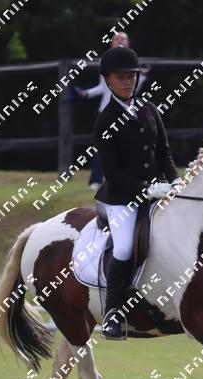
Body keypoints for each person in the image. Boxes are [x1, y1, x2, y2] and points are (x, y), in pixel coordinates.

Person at [93, 46, 178, 340]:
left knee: (190, 226)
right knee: (125, 248)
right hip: (122, 199)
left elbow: (164, 152)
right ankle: (112, 314)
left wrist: (176, 182)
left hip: (160, 190)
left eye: (131, 76)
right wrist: (146, 189)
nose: (128, 82)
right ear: (107, 79)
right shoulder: (105, 121)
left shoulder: (149, 109)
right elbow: (113, 173)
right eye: (121, 77)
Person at [75, 33, 150, 191]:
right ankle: (96, 180)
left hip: (127, 111)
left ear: (128, 42)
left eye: (123, 38)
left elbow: (134, 88)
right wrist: (86, 93)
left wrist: (142, 75)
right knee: (101, 147)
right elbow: (102, 87)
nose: (120, 40)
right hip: (106, 110)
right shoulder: (105, 62)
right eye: (117, 38)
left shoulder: (133, 61)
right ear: (111, 43)